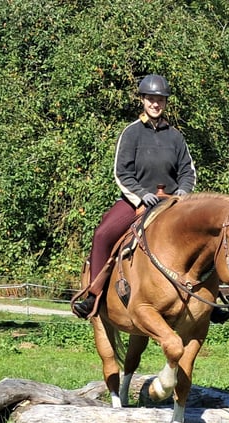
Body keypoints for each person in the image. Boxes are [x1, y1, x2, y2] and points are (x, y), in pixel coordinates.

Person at [72, 74, 197, 319]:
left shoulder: (176, 136)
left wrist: (183, 192)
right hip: (136, 202)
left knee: (203, 234)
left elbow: (187, 170)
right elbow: (122, 172)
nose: (155, 104)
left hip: (171, 204)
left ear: (165, 103)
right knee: (102, 234)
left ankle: (211, 299)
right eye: (151, 99)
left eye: (160, 100)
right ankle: (93, 295)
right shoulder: (131, 133)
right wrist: (141, 195)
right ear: (142, 100)